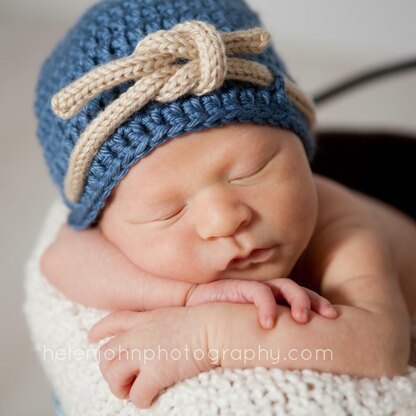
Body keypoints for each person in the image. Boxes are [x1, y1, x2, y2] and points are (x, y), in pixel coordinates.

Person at [35, 0, 414, 410]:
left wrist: (209, 335)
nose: (226, 218)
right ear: (101, 225)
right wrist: (188, 297)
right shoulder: (101, 230)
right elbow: (60, 259)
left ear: (302, 146)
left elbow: (381, 347)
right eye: (169, 211)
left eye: (252, 170)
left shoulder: (342, 226)